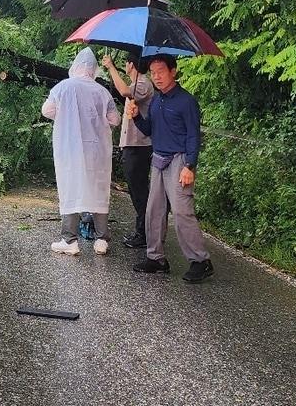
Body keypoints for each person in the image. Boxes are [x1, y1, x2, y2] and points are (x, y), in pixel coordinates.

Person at [127, 55, 213, 283]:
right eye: (153, 72)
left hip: (179, 160)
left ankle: (200, 261)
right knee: (153, 210)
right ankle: (156, 259)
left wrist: (190, 166)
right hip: (158, 158)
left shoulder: (186, 101)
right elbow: (149, 130)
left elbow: (194, 135)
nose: (156, 76)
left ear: (173, 71)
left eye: (161, 71)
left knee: (182, 211)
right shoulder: (156, 100)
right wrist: (136, 117)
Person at [41, 48, 120, 256]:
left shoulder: (62, 88)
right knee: (98, 190)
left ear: (75, 66)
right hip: (97, 151)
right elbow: (115, 120)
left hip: (70, 149)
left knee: (71, 188)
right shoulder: (103, 92)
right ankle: (102, 239)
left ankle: (69, 240)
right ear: (93, 70)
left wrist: (66, 114)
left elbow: (46, 111)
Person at [102, 53, 155, 249]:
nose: (125, 65)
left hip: (139, 145)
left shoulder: (143, 84)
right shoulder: (137, 84)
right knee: (135, 189)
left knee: (139, 190)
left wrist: (110, 66)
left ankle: (144, 233)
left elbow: (124, 90)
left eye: (126, 62)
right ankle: (143, 231)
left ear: (131, 64)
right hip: (132, 144)